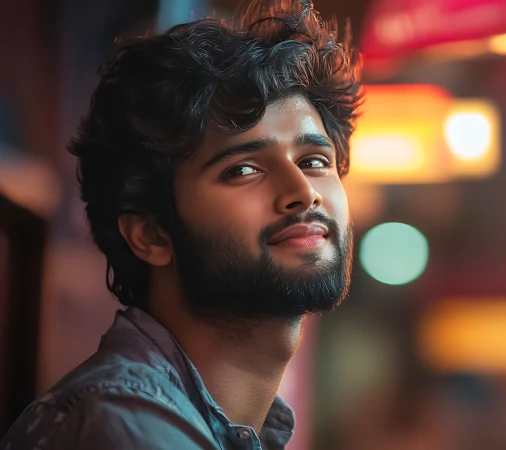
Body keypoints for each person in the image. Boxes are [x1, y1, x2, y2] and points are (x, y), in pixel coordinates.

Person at [0, 0, 361, 448]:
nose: (303, 192)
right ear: (151, 234)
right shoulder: (120, 425)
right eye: (243, 170)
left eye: (313, 161)